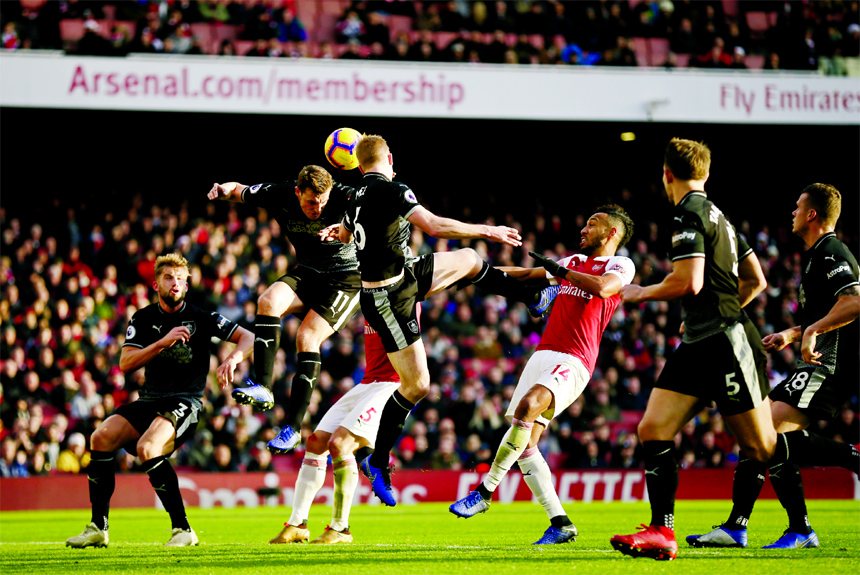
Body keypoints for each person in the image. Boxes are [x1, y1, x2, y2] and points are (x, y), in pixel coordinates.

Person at [610, 139, 859, 561]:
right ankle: (662, 530)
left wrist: (637, 294)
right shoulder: (720, 217)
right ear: (704, 174)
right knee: (653, 428)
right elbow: (755, 280)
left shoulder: (688, 214)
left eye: (799, 208)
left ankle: (797, 522)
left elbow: (688, 282)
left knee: (765, 445)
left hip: (727, 342)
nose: (793, 213)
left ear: (667, 174)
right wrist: (781, 328)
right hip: (702, 337)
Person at [337, 134, 556, 507]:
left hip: (402, 276)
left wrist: (342, 234)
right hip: (387, 298)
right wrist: (487, 229)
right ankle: (377, 460)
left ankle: (532, 296)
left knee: (469, 259)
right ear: (389, 159)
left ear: (359, 165)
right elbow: (434, 226)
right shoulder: (392, 189)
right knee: (418, 385)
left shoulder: (354, 195)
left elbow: (344, 234)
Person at [449, 205, 636, 545]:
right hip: (543, 354)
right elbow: (522, 275)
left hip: (575, 358)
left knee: (527, 407)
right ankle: (560, 522)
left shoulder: (619, 265)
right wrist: (473, 272)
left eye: (592, 224)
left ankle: (485, 492)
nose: (584, 228)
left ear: (611, 234)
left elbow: (604, 289)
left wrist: (561, 273)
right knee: (525, 444)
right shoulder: (571, 263)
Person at [687, 183, 859, 550]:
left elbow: (855, 303)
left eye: (797, 207)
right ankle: (753, 527)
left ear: (812, 214)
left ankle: (845, 467)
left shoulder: (831, 252)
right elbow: (827, 314)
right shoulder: (814, 256)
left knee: (768, 432)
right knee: (758, 436)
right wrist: (793, 333)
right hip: (811, 361)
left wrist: (811, 330)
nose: (792, 212)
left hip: (829, 366)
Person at [65, 254, 254, 548]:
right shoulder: (142, 318)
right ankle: (98, 527)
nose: (175, 283)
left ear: (187, 285)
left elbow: (248, 337)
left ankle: (183, 530)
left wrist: (232, 359)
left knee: (148, 448)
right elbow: (126, 363)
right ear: (156, 284)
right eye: (169, 277)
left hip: (185, 401)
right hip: (149, 400)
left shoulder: (202, 318)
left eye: (181, 278)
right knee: (100, 437)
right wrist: (162, 341)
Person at [207, 165, 361, 455]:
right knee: (267, 300)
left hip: (346, 278)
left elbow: (378, 206)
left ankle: (292, 428)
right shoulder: (280, 194)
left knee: (306, 337)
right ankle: (263, 386)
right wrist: (224, 190)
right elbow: (240, 190)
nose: (317, 208)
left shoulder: (346, 196)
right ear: (297, 193)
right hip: (309, 272)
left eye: (323, 201)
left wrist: (346, 229)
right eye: (311, 202)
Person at [270, 311, 419, 545]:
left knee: (340, 445)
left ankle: (341, 528)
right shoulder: (369, 288)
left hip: (392, 384)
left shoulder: (405, 286)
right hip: (369, 382)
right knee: (316, 442)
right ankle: (297, 524)